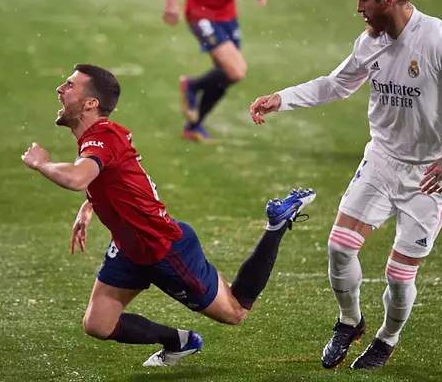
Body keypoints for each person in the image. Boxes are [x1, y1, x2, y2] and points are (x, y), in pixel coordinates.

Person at [248, 0, 442, 370]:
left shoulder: (438, 40)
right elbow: (336, 85)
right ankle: (350, 321)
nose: (358, 8)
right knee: (339, 247)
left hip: (430, 174)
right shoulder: (370, 42)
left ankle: (387, 338)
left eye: (364, 0)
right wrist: (282, 98)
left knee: (399, 276)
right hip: (382, 160)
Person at [21, 63, 315, 367]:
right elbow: (120, 182)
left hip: (164, 248)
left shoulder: (103, 138)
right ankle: (180, 341)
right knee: (97, 325)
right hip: (129, 249)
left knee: (235, 311)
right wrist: (89, 207)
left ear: (90, 103)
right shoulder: (98, 139)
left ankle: (277, 224)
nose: (60, 89)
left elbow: (76, 178)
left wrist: (41, 163)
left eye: (70, 85)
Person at [158, 0, 266, 143]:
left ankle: (193, 126)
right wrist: (171, 1)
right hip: (201, 14)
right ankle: (192, 86)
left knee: (226, 76)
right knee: (235, 71)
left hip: (228, 17)